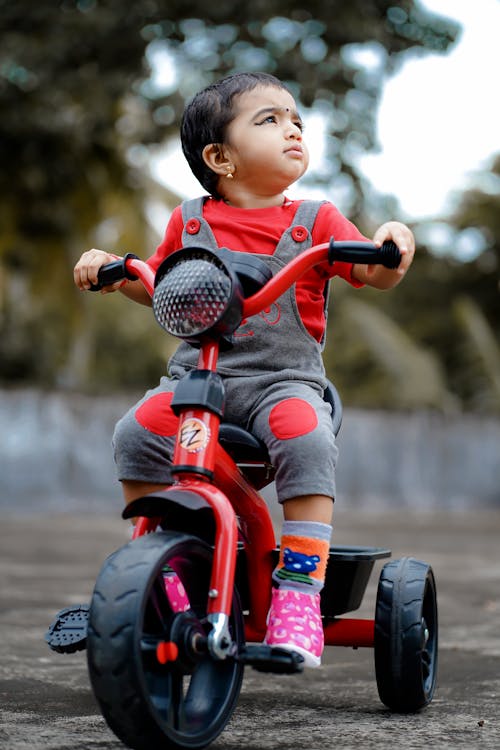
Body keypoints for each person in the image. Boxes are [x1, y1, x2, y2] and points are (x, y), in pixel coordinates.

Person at [74, 71, 415, 667]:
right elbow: (157, 286)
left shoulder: (320, 221)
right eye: (270, 120)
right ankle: (161, 567)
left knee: (304, 435)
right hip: (196, 380)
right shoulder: (190, 222)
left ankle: (300, 590)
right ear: (219, 157)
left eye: (297, 121)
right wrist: (112, 267)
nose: (293, 130)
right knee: (135, 432)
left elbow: (374, 272)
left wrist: (393, 243)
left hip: (283, 382)